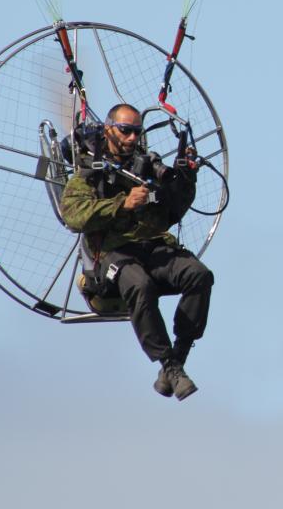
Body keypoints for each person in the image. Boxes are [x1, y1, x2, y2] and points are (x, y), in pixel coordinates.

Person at [59, 103, 214, 400]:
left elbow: (171, 212)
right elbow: (73, 215)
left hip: (153, 247)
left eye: (136, 132)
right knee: (140, 285)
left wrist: (185, 180)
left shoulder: (146, 169)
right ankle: (169, 365)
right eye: (125, 131)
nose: (132, 138)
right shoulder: (90, 173)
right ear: (109, 130)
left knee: (200, 275)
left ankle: (180, 353)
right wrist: (122, 204)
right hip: (113, 254)